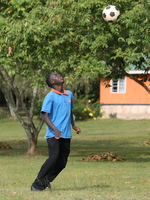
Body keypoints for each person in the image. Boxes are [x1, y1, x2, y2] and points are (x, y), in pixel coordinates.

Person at [31, 72, 81, 191]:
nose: (60, 76)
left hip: (66, 134)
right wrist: (55, 130)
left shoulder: (69, 94)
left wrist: (73, 125)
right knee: (53, 157)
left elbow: (70, 111)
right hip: (53, 134)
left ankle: (45, 182)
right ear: (52, 82)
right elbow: (45, 116)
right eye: (56, 76)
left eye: (59, 75)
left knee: (62, 162)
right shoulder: (50, 96)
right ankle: (37, 184)